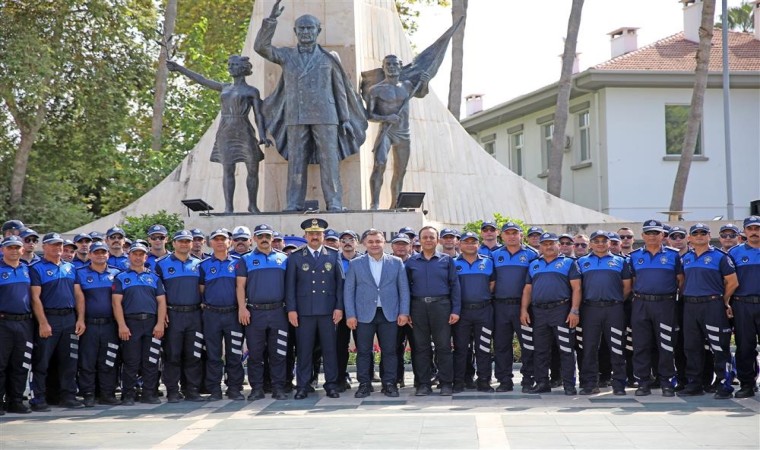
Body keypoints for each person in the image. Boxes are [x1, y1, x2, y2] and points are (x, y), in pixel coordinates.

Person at [254, 0, 367, 212]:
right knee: (296, 162)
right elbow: (260, 47)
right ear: (295, 31)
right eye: (302, 29)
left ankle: (334, 202)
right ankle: (294, 203)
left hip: (327, 115)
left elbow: (340, 90)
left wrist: (345, 119)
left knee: (329, 161)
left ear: (318, 31)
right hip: (295, 116)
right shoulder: (286, 56)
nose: (306, 32)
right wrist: (271, 20)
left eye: (310, 28)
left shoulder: (329, 57)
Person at [167, 56, 270, 214]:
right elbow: (201, 80)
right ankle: (229, 207)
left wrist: (262, 134)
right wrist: (179, 68)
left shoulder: (251, 91)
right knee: (228, 169)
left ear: (243, 68)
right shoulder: (225, 87)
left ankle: (252, 205)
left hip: (244, 130)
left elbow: (258, 115)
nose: (230, 67)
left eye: (233, 65)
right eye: (229, 64)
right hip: (225, 132)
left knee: (252, 169)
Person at [344, 229, 410, 398]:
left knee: (389, 351)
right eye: (371, 241)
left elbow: (403, 289)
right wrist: (350, 314)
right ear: (365, 243)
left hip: (390, 314)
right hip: (364, 314)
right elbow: (349, 291)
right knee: (364, 351)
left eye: (378, 241)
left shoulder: (396, 263)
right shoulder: (355, 264)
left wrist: (404, 312)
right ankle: (364, 384)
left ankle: (389, 383)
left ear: (384, 243)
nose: (374, 244)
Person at [285, 218, 344, 399]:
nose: (315, 237)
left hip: (327, 311)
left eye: (318, 234)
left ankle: (331, 385)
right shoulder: (296, 256)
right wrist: (291, 310)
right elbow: (290, 286)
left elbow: (339, 284)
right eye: (311, 234)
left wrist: (339, 307)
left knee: (330, 350)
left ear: (323, 236)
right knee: (304, 350)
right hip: (304, 312)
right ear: (305, 236)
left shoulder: (334, 255)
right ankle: (303, 385)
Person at [679, 223, 738, 399]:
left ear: (708, 236)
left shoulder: (720, 257)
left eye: (703, 233)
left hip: (712, 305)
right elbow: (681, 281)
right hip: (690, 306)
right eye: (695, 233)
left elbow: (733, 282)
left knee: (719, 347)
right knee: (692, 347)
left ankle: (724, 384)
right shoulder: (686, 258)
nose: (699, 236)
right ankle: (695, 384)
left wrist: (723, 301)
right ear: (689, 238)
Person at [28, 232, 85, 410]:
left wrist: (80, 318)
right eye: (53, 245)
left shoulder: (70, 267)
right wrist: (43, 323)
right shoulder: (37, 268)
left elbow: (78, 295)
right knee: (42, 362)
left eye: (59, 244)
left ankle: (68, 397)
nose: (57, 248)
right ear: (44, 247)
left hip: (69, 318)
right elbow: (35, 298)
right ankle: (39, 398)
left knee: (69, 361)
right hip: (49, 317)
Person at [520, 232, 581, 395]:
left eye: (551, 243)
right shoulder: (534, 264)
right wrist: (524, 310)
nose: (548, 246)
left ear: (558, 245)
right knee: (540, 349)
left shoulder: (569, 263)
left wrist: (574, 311)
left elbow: (577, 288)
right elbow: (528, 289)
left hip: (561, 311)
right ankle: (542, 383)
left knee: (566, 349)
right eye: (544, 244)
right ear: (540, 246)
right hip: (538, 312)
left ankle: (569, 385)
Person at [366, 55, 429, 209]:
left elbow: (421, 93)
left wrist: (425, 82)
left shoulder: (407, 86)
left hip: (403, 133)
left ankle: (395, 204)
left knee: (400, 171)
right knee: (379, 164)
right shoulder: (375, 90)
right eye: (388, 64)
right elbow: (369, 115)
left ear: (400, 67)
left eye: (395, 64)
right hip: (386, 132)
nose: (392, 67)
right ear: (383, 67)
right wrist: (386, 117)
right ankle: (374, 203)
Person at [628, 220, 682, 397]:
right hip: (641, 304)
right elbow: (632, 281)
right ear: (642, 236)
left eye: (656, 233)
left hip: (665, 304)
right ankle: (643, 382)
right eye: (648, 233)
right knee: (641, 344)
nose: (652, 236)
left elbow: (681, 280)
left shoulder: (674, 255)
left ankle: (667, 382)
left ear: (662, 235)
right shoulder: (635, 256)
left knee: (665, 344)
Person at [405, 226, 461, 396]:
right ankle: (423, 384)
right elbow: (405, 288)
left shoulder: (447, 260)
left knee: (443, 346)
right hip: (418, 308)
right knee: (421, 348)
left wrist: (455, 310)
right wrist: (406, 311)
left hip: (441, 306)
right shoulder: (411, 262)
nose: (428, 240)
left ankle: (445, 383)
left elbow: (455, 286)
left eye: (431, 237)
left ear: (438, 240)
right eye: (425, 237)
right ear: (419, 240)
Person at [237, 224, 289, 401]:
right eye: (260, 236)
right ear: (254, 239)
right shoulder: (246, 259)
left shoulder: (283, 259)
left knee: (279, 352)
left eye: (267, 235)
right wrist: (242, 308)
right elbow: (240, 286)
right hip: (255, 312)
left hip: (278, 312)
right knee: (255, 353)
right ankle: (257, 388)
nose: (264, 239)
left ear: (272, 238)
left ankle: (278, 387)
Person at [575, 231, 631, 396]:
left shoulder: (620, 261)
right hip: (590, 309)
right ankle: (590, 383)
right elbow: (578, 287)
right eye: (596, 241)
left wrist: (615, 300)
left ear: (609, 243)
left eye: (603, 241)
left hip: (614, 309)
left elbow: (627, 287)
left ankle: (619, 384)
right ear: (591, 244)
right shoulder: (581, 262)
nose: (600, 244)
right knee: (589, 348)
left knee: (617, 347)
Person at [112, 243, 167, 405]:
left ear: (146, 257)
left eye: (141, 254)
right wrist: (122, 325)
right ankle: (128, 394)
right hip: (130, 323)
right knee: (131, 361)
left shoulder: (154, 277)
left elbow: (162, 302)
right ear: (129, 256)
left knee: (151, 360)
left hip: (151, 323)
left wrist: (159, 324)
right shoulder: (121, 277)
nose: (137, 257)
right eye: (134, 254)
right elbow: (116, 304)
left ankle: (149, 393)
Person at [154, 230, 205, 403]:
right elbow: (157, 292)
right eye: (180, 241)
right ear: (173, 243)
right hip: (173, 315)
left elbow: (201, 289)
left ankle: (191, 390)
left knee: (193, 354)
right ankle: (173, 391)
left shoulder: (199, 264)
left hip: (194, 315)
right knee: (172, 354)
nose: (184, 244)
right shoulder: (161, 264)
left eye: (187, 241)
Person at [491, 222, 539, 392]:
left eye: (515, 233)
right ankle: (505, 380)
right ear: (501, 236)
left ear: (521, 235)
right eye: (507, 233)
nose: (511, 236)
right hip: (501, 307)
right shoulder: (494, 255)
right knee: (501, 346)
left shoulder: (532, 254)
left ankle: (528, 379)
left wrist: (526, 307)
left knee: (528, 345)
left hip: (524, 307)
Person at [199, 228, 245, 401]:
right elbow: (201, 290)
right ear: (210, 242)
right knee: (213, 354)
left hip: (233, 314)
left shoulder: (239, 263)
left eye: (223, 239)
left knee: (234, 353)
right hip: (212, 315)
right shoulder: (203, 265)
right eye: (216, 239)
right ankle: (215, 389)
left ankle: (234, 388)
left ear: (229, 242)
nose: (219, 242)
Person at [74, 242, 121, 406]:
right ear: (91, 255)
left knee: (108, 360)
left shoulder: (116, 273)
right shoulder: (80, 273)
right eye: (97, 252)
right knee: (88, 360)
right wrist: (80, 320)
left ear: (108, 254)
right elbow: (79, 299)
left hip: (110, 325)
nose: (100, 255)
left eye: (103, 252)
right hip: (90, 325)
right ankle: (88, 394)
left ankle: (107, 394)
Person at [452, 232, 495, 393]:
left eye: (473, 242)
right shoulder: (453, 263)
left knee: (483, 347)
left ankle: (483, 380)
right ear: (460, 244)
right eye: (466, 242)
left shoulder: (488, 262)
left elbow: (492, 284)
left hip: (483, 311)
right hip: (462, 312)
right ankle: (459, 381)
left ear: (478, 244)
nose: (470, 245)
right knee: (461, 348)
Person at [0, 236, 34, 415]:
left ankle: (16, 400)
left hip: (24, 323)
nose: (14, 250)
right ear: (3, 250)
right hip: (3, 323)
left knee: (21, 364)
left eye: (17, 248)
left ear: (22, 250)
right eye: (10, 247)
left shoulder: (27, 269)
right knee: (1, 364)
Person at [728, 216, 760, 398]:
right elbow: (728, 281)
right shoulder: (735, 252)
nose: (754, 232)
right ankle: (747, 384)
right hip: (743, 305)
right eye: (751, 229)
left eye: (757, 228)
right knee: (745, 347)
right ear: (745, 232)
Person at [337, 230, 361, 391]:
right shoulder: (334, 261)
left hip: (361, 310)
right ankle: (340, 378)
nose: (347, 242)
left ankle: (365, 378)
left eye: (351, 239)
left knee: (363, 346)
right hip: (340, 311)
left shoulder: (364, 260)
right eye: (343, 239)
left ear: (356, 242)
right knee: (340, 346)